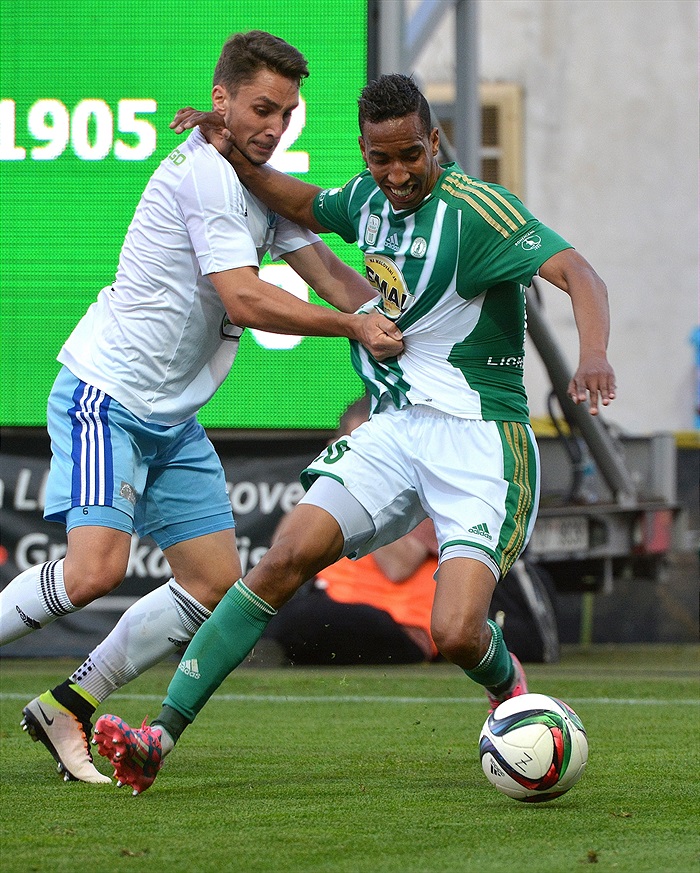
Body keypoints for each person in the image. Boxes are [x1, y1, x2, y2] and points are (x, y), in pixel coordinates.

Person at [94, 73, 616, 794]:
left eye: (410, 155)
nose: (397, 174)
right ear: (365, 152)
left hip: (480, 441)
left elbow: (578, 271)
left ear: (434, 142)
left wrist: (592, 354)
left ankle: (507, 684)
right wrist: (233, 153)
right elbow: (303, 202)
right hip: (394, 429)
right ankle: (159, 734)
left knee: (457, 633)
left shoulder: (478, 212)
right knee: (281, 559)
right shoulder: (367, 198)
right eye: (381, 158)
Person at [0, 32, 402, 785]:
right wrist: (354, 326)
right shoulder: (205, 177)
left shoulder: (255, 180)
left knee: (215, 582)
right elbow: (245, 299)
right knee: (93, 572)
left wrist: (403, 319)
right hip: (107, 396)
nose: (274, 126)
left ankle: (72, 701)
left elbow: (330, 274)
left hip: (173, 418)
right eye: (260, 108)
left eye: (285, 113)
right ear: (221, 100)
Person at [261, 395, 439, 665]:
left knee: (307, 617)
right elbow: (284, 550)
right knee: (269, 608)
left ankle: (265, 646)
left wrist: (366, 483)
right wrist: (329, 479)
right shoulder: (335, 493)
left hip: (401, 627)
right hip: (330, 610)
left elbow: (399, 566)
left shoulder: (421, 496)